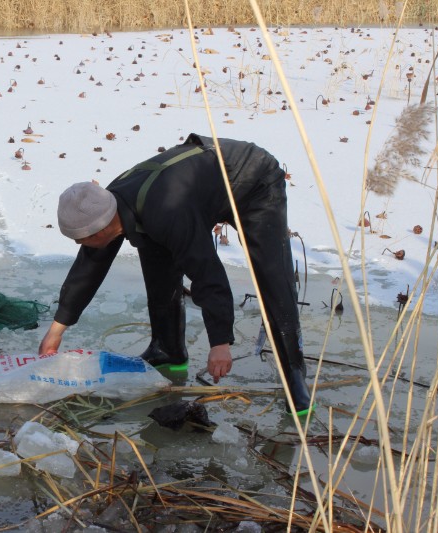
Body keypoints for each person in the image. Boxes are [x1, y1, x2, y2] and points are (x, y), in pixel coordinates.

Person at [39, 133, 314, 415]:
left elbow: (207, 271)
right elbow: (89, 267)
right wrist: (56, 330)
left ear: (102, 228)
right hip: (193, 187)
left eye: (80, 239)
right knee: (157, 260)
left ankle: (294, 371)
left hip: (252, 178)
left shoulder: (168, 211)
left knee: (271, 274)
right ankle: (168, 348)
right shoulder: (109, 203)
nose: (78, 246)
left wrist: (220, 343)